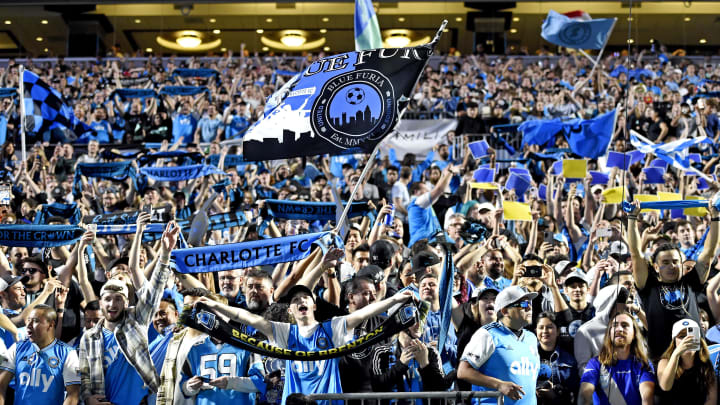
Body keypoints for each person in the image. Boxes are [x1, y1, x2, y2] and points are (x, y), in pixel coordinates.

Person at [193, 283, 414, 404]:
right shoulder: (284, 332)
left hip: (328, 402)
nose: (300, 301)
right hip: (295, 402)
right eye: (295, 300)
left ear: (314, 304)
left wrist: (394, 300)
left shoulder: (332, 328)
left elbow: (364, 312)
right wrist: (216, 305)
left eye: (305, 298)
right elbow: (246, 317)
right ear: (290, 310)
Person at [78, 222, 179, 405]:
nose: (112, 304)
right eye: (108, 299)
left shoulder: (136, 320)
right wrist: (87, 398)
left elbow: (154, 290)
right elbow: (84, 375)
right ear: (100, 303)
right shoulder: (89, 336)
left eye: (118, 299)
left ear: (126, 302)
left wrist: (165, 254)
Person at [628, 200, 719, 360]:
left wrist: (716, 218)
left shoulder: (691, 282)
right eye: (665, 263)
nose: (672, 266)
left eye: (675, 262)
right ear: (656, 267)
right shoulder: (648, 286)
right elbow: (636, 253)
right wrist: (632, 217)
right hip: (662, 358)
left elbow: (709, 252)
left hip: (695, 357)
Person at [458, 285, 540, 405]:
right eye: (522, 304)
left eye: (529, 303)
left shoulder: (531, 338)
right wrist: (499, 385)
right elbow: (463, 371)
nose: (529, 308)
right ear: (505, 311)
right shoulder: (487, 334)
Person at [0, 305, 80, 405]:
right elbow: (1, 385)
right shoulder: (16, 348)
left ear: (51, 325)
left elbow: (73, 394)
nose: (28, 325)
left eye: (35, 321)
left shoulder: (68, 353)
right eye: (28, 320)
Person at [578, 312, 655, 405]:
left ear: (634, 333)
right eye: (615, 325)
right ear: (609, 333)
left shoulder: (644, 364)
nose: (619, 329)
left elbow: (647, 399)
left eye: (625, 325)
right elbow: (584, 395)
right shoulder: (595, 363)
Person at [657, 318, 717, 405]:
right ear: (674, 341)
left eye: (691, 335)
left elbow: (712, 398)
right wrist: (676, 354)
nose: (687, 339)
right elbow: (665, 386)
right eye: (682, 336)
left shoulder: (706, 364)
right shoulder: (664, 362)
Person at [535, 312, 579, 405]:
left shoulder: (569, 360)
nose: (545, 331)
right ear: (536, 331)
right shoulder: (528, 356)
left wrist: (554, 394)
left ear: (558, 331)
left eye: (549, 327)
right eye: (541, 327)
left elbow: (574, 393)